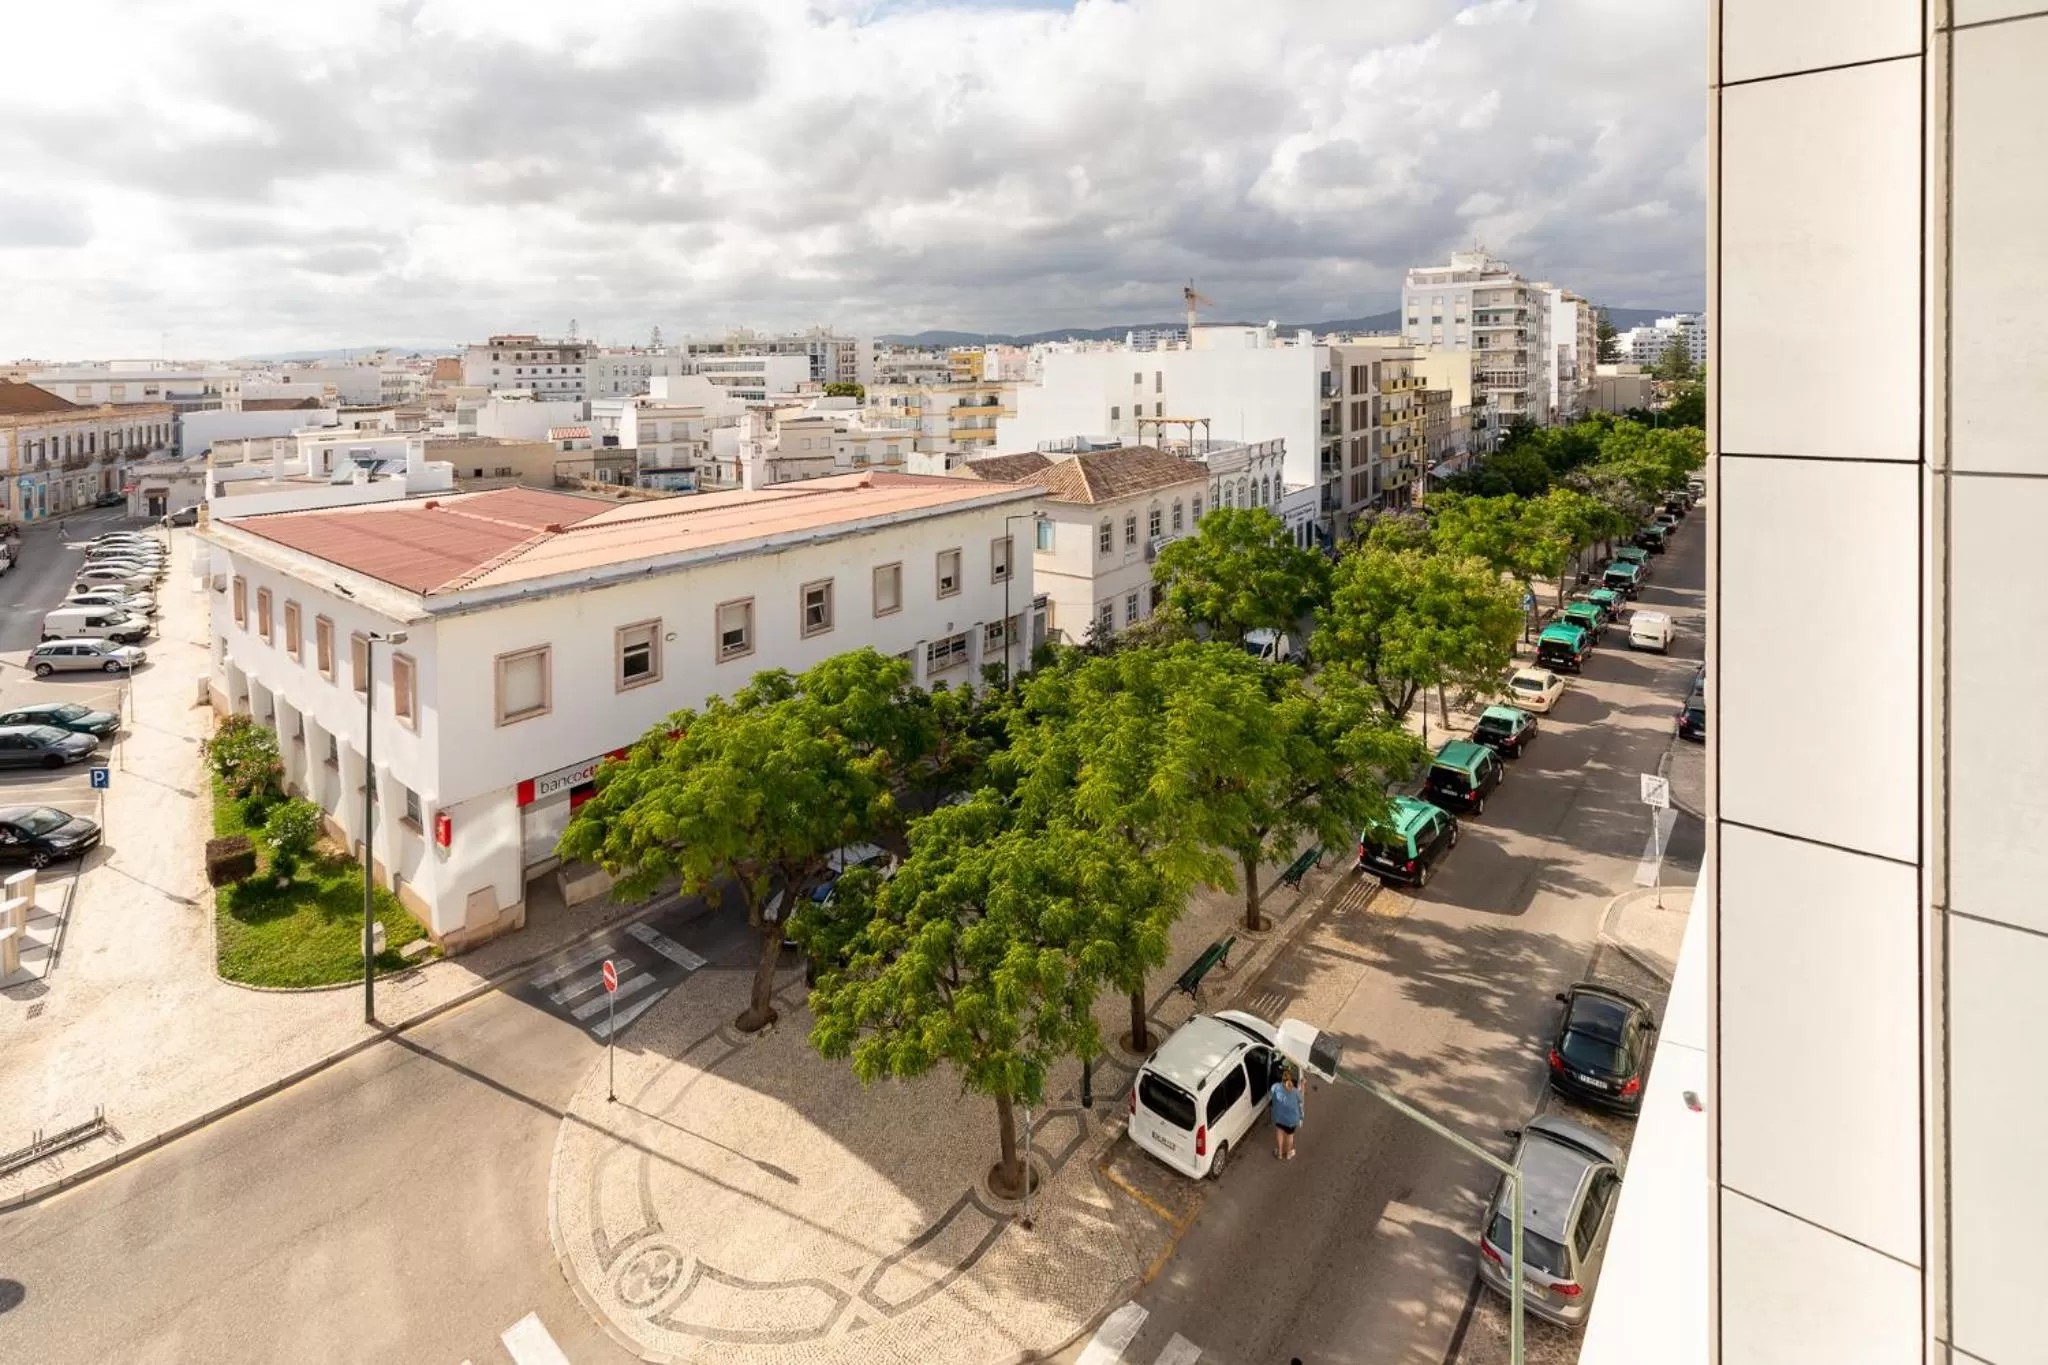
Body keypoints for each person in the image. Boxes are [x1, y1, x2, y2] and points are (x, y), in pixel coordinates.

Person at [1270, 1064, 1303, 1160]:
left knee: (1280, 1132)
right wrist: (1303, 1085)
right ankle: (1288, 1154)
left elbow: (1272, 1097)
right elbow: (1301, 1101)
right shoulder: (1296, 1092)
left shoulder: (1275, 1087)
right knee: (1290, 1136)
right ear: (1291, 1080)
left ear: (1281, 1079)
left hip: (1279, 1117)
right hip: (1291, 1120)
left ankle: (1280, 1153)